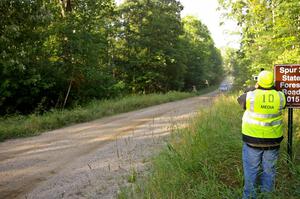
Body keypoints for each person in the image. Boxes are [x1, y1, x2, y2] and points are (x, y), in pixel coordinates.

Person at [237, 70, 286, 199]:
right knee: (269, 172)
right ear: (272, 82)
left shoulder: (250, 96)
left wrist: (254, 88)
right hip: (273, 142)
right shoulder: (280, 96)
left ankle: (249, 196)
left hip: (252, 142)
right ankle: (267, 196)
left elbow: (239, 99)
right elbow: (283, 103)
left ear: (258, 82)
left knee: (251, 172)